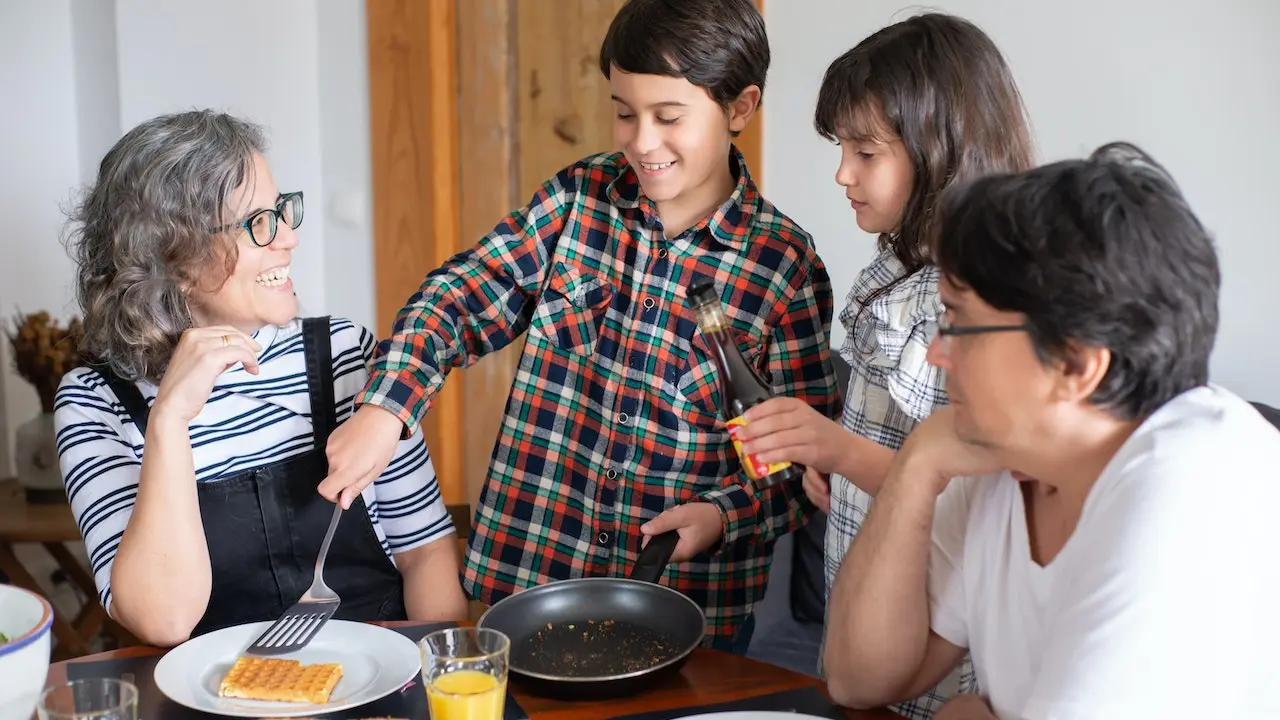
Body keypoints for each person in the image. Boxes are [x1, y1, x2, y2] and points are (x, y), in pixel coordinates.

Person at [318, 0, 838, 652]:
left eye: (668, 117)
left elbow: (799, 466)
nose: (641, 140)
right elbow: (458, 298)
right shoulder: (578, 201)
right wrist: (388, 406)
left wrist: (722, 515)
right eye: (624, 112)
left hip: (689, 619)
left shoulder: (783, 267)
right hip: (526, 589)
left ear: (739, 108)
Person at [823, 142, 1280, 719]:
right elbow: (859, 679)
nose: (938, 353)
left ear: (1075, 363)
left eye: (958, 323)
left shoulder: (1197, 484)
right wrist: (916, 464)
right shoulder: (1012, 459)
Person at [55, 110, 468, 647]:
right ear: (173, 259)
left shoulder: (344, 354)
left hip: (383, 678)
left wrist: (446, 677)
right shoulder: (94, 405)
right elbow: (163, 620)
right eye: (257, 224)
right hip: (214, 698)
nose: (288, 239)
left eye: (281, 211)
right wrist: (170, 421)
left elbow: (425, 553)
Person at [736, 13, 1033, 712]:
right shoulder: (901, 266)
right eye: (843, 148)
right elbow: (896, 453)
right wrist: (843, 475)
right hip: (872, 627)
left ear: (941, 150)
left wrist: (841, 452)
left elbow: (965, 499)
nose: (842, 172)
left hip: (933, 650)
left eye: (865, 152)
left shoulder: (972, 306)